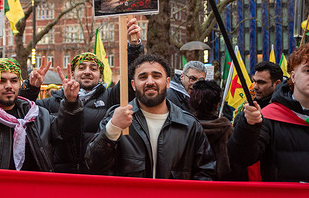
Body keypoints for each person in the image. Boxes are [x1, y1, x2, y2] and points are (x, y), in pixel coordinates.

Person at [36, 18, 144, 173]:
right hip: (62, 177)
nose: (87, 71)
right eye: (82, 67)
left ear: (100, 77)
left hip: (98, 175)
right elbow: (22, 109)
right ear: (72, 74)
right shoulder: (54, 101)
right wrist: (32, 88)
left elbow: (130, 77)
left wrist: (134, 46)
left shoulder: (111, 97)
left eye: (93, 68)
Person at [85, 54, 215, 179]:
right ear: (133, 85)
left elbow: (205, 173)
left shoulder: (189, 125)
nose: (150, 82)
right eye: (142, 77)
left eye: (156, 76)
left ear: (168, 82)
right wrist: (112, 129)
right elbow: (94, 165)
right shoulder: (116, 118)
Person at [0, 57, 82, 171]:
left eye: (14, 81)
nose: (8, 86)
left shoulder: (37, 115)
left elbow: (65, 132)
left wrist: (71, 102)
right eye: (0, 81)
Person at [228, 44, 309, 182]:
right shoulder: (269, 117)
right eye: (307, 70)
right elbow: (242, 157)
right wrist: (249, 126)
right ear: (293, 77)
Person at [189, 80, 241, 180]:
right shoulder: (226, 128)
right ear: (217, 104)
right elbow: (236, 164)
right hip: (220, 187)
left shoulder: (185, 126)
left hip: (189, 185)